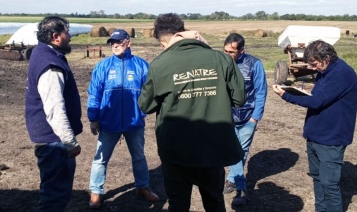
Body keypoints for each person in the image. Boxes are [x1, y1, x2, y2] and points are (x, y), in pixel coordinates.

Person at [138, 13, 246, 212]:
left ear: (163, 42)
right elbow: (240, 99)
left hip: (176, 151)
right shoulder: (222, 59)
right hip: (212, 149)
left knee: (178, 205)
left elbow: (145, 105)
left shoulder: (160, 64)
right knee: (215, 202)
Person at [272, 40, 357, 212]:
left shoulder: (342, 74)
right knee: (318, 179)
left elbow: (317, 101)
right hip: (315, 135)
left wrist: (286, 95)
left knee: (329, 184)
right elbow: (317, 96)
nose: (312, 68)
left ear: (326, 57)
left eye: (314, 64)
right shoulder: (324, 71)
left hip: (331, 138)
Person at [87, 29, 159, 208]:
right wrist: (93, 118)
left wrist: (142, 112)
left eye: (119, 41)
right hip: (108, 123)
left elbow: (150, 93)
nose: (115, 45)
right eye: (112, 42)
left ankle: (143, 187)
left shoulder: (142, 66)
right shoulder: (102, 67)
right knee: (100, 158)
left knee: (139, 157)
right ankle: (96, 191)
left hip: (134, 123)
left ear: (128, 42)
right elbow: (94, 93)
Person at [25, 16, 83, 211]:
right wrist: (69, 142)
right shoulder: (51, 65)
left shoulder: (41, 52)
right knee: (55, 196)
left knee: (51, 188)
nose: (70, 37)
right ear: (56, 36)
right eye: (67, 32)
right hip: (54, 140)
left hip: (49, 137)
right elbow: (54, 108)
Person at [222, 33, 268, 206]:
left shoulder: (254, 64)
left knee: (242, 151)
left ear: (241, 50)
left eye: (232, 52)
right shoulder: (221, 63)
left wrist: (255, 118)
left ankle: (239, 186)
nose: (228, 55)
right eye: (225, 51)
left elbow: (261, 91)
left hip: (248, 117)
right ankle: (233, 178)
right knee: (234, 150)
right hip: (227, 117)